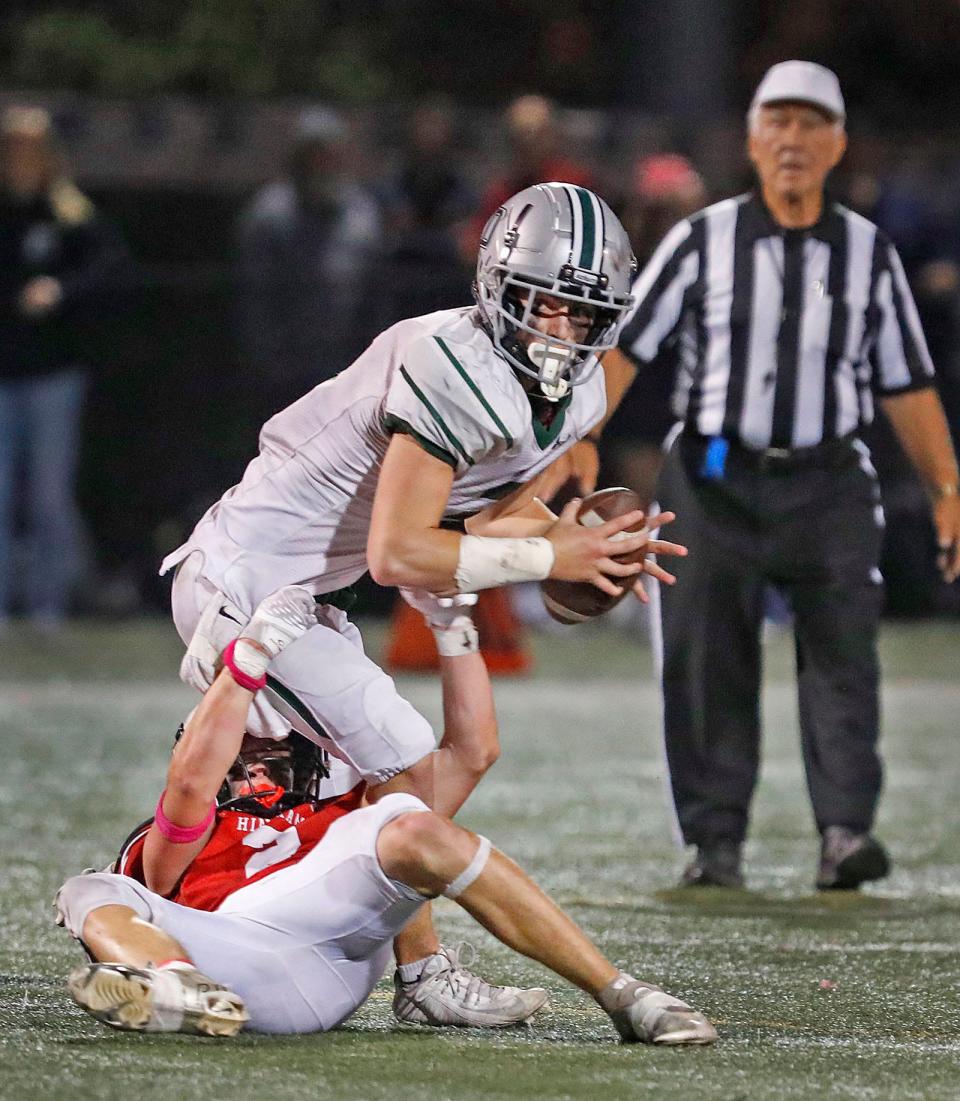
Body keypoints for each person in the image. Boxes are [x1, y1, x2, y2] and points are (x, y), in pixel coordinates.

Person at [160, 181, 685, 1020]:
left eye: (580, 314)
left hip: (306, 593)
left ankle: (292, 934)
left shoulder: (579, 396)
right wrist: (552, 547)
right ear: (498, 287)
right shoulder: (451, 363)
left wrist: (582, 541)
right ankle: (413, 971)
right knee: (403, 753)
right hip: (244, 580)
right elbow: (400, 550)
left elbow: (485, 509)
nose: (559, 330)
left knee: (398, 774)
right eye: (543, 303)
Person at [57, 584, 717, 1046]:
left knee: (410, 818)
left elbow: (472, 749)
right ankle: (174, 987)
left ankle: (624, 994)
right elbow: (193, 784)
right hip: (225, 958)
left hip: (332, 957)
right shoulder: (177, 827)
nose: (255, 763)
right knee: (89, 887)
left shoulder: (354, 806)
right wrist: (245, 662)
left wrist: (452, 622)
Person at [600, 61, 960, 890]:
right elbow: (625, 350)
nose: (793, 139)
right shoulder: (702, 238)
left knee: (843, 656)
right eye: (778, 122)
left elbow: (907, 381)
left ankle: (843, 832)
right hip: (714, 474)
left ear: (837, 143)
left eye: (811, 123)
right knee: (704, 655)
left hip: (829, 479)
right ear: (754, 139)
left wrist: (946, 488)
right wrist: (576, 445)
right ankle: (714, 841)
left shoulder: (870, 252)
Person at [0, 106, 132, 628]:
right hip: (2, 372)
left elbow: (110, 268)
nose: (20, 158)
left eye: (30, 147)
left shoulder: (69, 212)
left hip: (53, 373)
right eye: (12, 147)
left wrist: (59, 289)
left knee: (49, 492)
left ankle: (46, 603)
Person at [234, 107, 381, 417]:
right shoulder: (268, 214)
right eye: (312, 153)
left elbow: (377, 293)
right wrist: (266, 359)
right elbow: (253, 294)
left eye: (328, 153)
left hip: (347, 365)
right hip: (283, 369)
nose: (321, 162)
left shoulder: (363, 215)